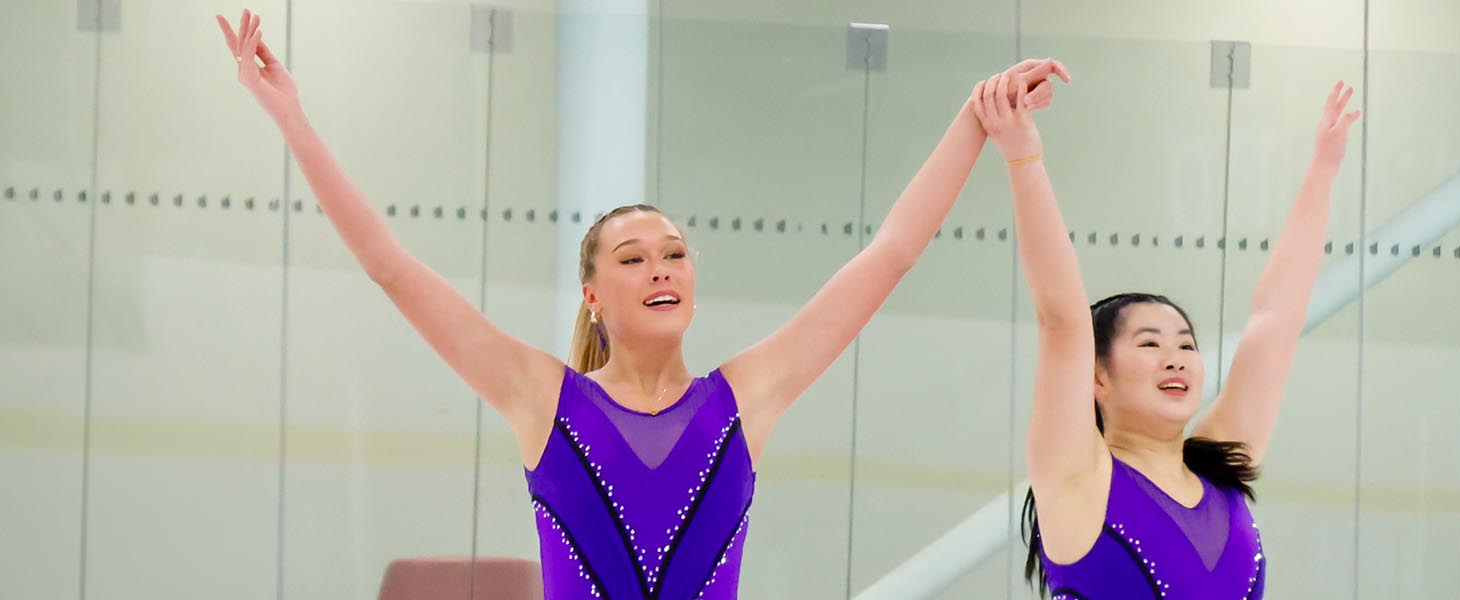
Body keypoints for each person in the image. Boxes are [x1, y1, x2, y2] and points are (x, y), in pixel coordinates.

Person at [214, 9, 1067, 598]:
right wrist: (292, 119)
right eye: (634, 257)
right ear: (593, 294)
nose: (662, 269)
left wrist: (972, 123)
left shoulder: (746, 396)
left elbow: (891, 254)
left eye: (675, 255)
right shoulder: (541, 397)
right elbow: (392, 268)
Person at [974, 75, 1359, 598]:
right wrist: (1023, 157)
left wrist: (1322, 171)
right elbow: (1062, 322)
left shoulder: (1221, 472)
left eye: (1186, 345)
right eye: (1150, 344)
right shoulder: (1078, 477)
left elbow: (1277, 318)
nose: (1175, 358)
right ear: (1096, 376)